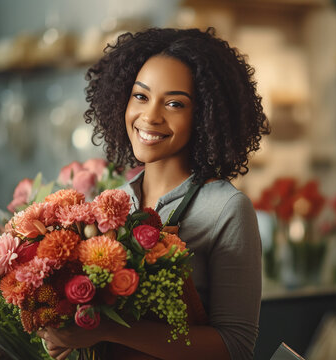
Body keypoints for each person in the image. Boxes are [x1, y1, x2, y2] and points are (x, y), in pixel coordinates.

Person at [38, 27, 270, 360]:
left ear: (204, 116)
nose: (150, 116)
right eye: (141, 96)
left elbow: (235, 346)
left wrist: (107, 329)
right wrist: (64, 336)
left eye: (175, 103)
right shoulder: (111, 203)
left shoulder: (227, 208)